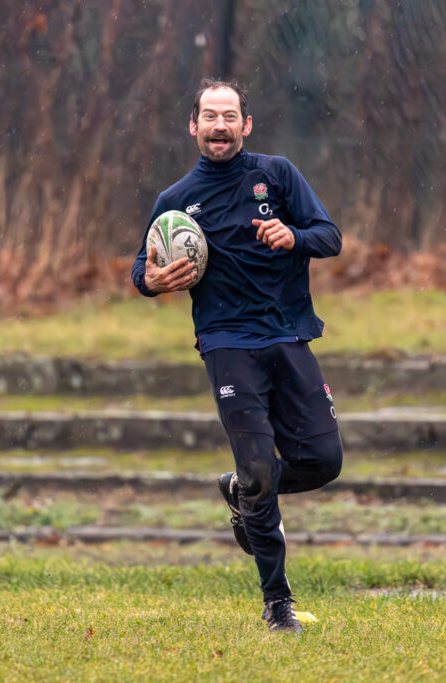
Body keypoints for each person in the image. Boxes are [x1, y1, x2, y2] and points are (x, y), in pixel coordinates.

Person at [131, 78, 343, 634]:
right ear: (193, 127)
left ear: (245, 125)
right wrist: (153, 279)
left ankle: (243, 493)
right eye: (209, 116)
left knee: (324, 462)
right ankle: (278, 605)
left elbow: (330, 236)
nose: (219, 126)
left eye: (229, 116)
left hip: (288, 333)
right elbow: (141, 270)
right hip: (226, 343)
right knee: (257, 465)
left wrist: (292, 236)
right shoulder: (174, 203)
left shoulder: (277, 175)